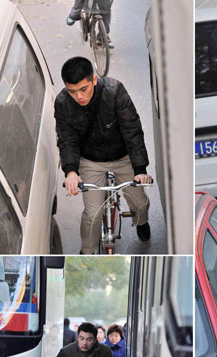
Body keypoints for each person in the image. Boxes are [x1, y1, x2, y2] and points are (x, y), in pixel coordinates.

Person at [55, 56, 153, 254]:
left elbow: (132, 130)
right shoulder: (63, 102)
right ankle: (87, 253)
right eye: (72, 91)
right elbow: (67, 139)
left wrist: (140, 170)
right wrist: (71, 172)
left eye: (84, 89)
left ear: (94, 79)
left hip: (122, 156)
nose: (79, 97)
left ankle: (141, 222)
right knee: (92, 215)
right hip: (90, 160)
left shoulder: (114, 91)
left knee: (140, 203)